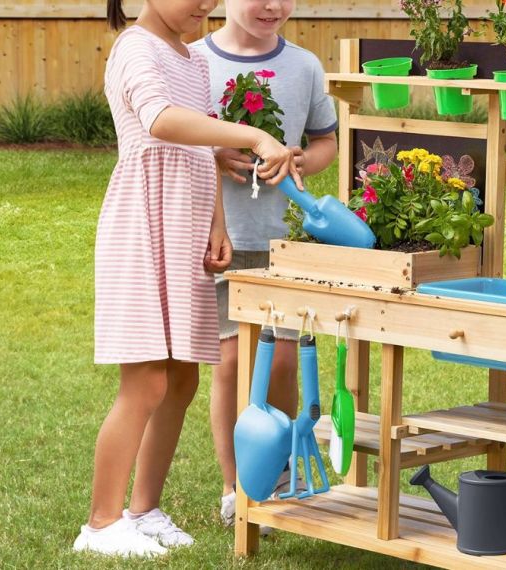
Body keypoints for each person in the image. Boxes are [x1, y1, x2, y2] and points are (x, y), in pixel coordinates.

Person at [73, 0, 302, 557]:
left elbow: (200, 149)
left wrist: (217, 224)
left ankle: (144, 509)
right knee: (147, 380)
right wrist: (250, 134)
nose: (208, 4)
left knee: (181, 379)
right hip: (144, 226)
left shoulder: (193, 60)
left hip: (186, 228)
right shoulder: (135, 47)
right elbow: (158, 119)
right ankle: (101, 524)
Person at [191, 0, 338, 527]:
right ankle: (236, 484)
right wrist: (213, 153)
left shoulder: (303, 66)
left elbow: (326, 140)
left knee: (281, 362)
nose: (273, 5)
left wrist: (300, 159)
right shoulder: (193, 63)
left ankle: (275, 474)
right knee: (232, 363)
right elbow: (172, 138)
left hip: (285, 242)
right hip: (226, 240)